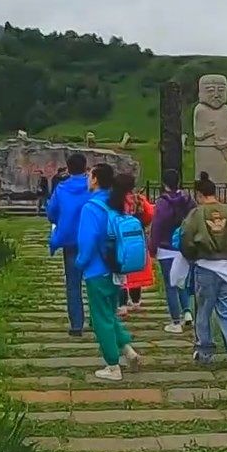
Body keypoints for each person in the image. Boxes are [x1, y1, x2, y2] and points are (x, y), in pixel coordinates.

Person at [179, 171, 227, 372]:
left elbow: (185, 237)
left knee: (203, 310)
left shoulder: (196, 214)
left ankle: (204, 350)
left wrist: (191, 254)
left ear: (199, 195)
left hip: (206, 267)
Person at [74, 164, 142, 381]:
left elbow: (87, 241)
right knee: (107, 315)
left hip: (97, 270)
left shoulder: (91, 207)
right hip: (116, 269)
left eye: (89, 175)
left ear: (94, 180)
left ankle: (113, 365)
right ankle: (127, 349)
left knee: (101, 318)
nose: (87, 178)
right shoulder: (114, 203)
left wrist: (80, 263)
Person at [45, 153, 92, 336]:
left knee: (73, 284)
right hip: (92, 239)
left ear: (68, 167)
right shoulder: (92, 187)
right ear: (85, 166)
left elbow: (51, 212)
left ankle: (76, 324)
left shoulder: (62, 188)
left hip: (70, 240)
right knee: (94, 281)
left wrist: (62, 221)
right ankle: (97, 319)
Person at [148, 169, 196, 333]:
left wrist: (152, 248)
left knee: (171, 285)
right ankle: (188, 312)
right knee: (181, 281)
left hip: (166, 247)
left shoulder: (163, 203)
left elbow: (157, 227)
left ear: (164, 183)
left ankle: (176, 321)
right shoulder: (188, 200)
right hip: (183, 246)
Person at [117, 184, 155, 315]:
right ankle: (136, 300)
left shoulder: (117, 200)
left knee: (121, 270)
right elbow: (150, 213)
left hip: (121, 237)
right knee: (136, 268)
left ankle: (121, 303)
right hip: (137, 235)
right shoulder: (139, 199)